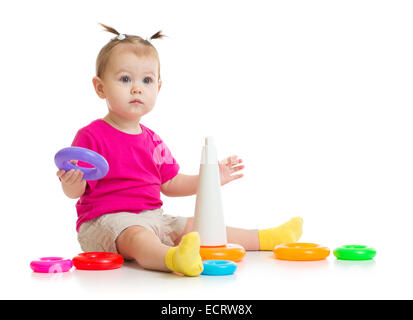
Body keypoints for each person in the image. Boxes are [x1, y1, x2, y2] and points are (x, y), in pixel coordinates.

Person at [56, 24, 303, 277]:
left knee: (202, 226)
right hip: (107, 223)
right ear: (100, 87)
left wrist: (212, 179)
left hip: (154, 217)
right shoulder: (91, 135)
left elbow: (171, 183)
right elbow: (76, 191)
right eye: (125, 79)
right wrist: (71, 181)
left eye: (147, 80)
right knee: (137, 236)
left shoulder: (153, 141)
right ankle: (172, 259)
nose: (137, 88)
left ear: (158, 88)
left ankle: (266, 238)